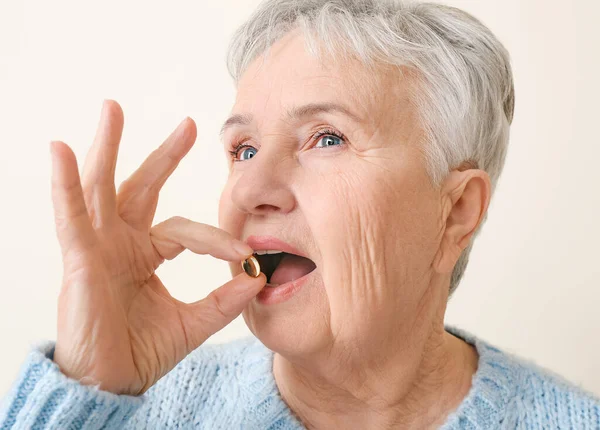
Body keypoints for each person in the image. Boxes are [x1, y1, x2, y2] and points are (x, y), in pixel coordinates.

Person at [2, 0, 599, 428]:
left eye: (327, 138)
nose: (251, 188)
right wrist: (83, 397)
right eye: (244, 149)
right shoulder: (131, 410)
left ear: (455, 213)